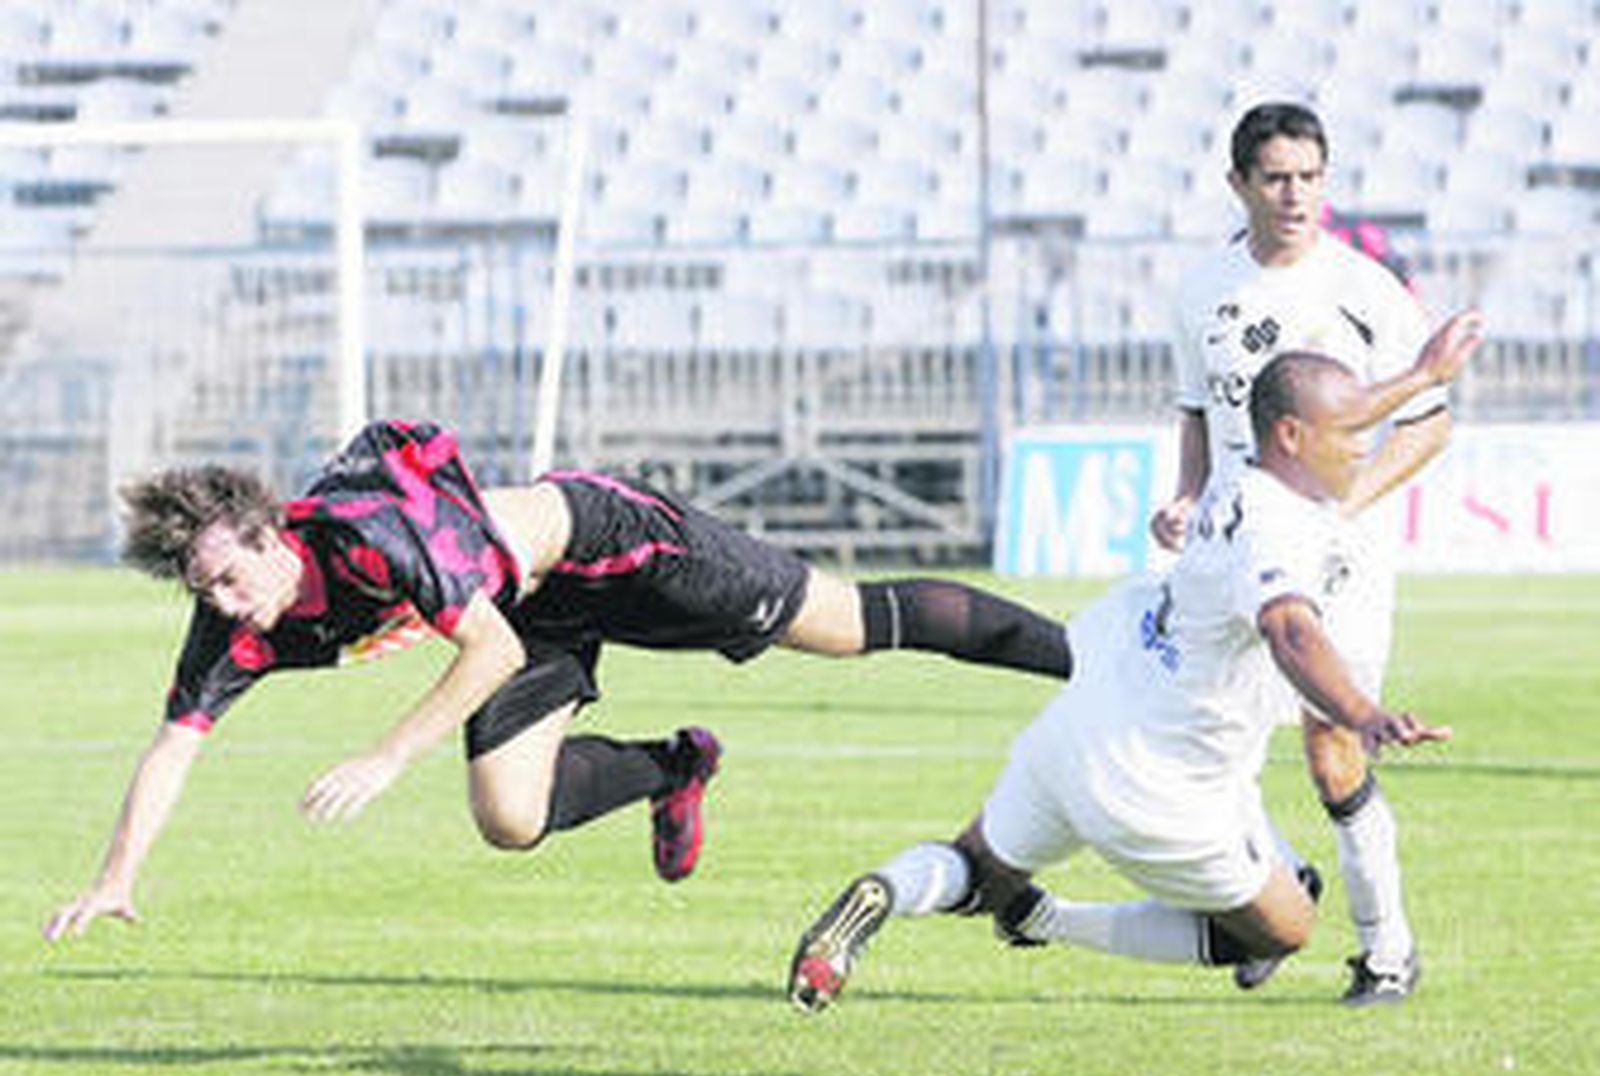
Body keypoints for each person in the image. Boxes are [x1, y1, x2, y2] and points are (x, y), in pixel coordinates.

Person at [44, 419, 1074, 942]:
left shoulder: (366, 541)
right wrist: (115, 877)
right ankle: (674, 768)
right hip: (522, 612)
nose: (222, 604)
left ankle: (1082, 656)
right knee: (509, 816)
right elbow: (174, 744)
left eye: (228, 578)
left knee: (847, 625)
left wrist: (386, 754)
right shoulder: (233, 627)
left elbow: (480, 651)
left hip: (611, 549)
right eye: (202, 589)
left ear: (271, 538)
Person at [787, 352, 1453, 1015]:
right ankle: (1047, 920)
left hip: (1084, 716)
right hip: (1156, 782)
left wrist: (1421, 376)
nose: (1363, 445)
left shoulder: (1237, 478)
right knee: (1286, 926)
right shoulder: (1280, 526)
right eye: (1350, 431)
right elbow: (1291, 631)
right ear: (1292, 435)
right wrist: (1364, 713)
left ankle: (883, 891)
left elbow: (1322, 440)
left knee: (974, 869)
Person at [1149, 102, 1485, 1003]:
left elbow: (1430, 423)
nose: (1296, 195)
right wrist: (1184, 496)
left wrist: (1345, 509)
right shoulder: (1200, 290)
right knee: (1192, 743)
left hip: (1337, 561)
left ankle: (1385, 951)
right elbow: (1198, 410)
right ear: (1239, 185)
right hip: (1227, 551)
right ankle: (1277, 893)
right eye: (1276, 178)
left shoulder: (1367, 289)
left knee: (1333, 750)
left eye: (1309, 177)